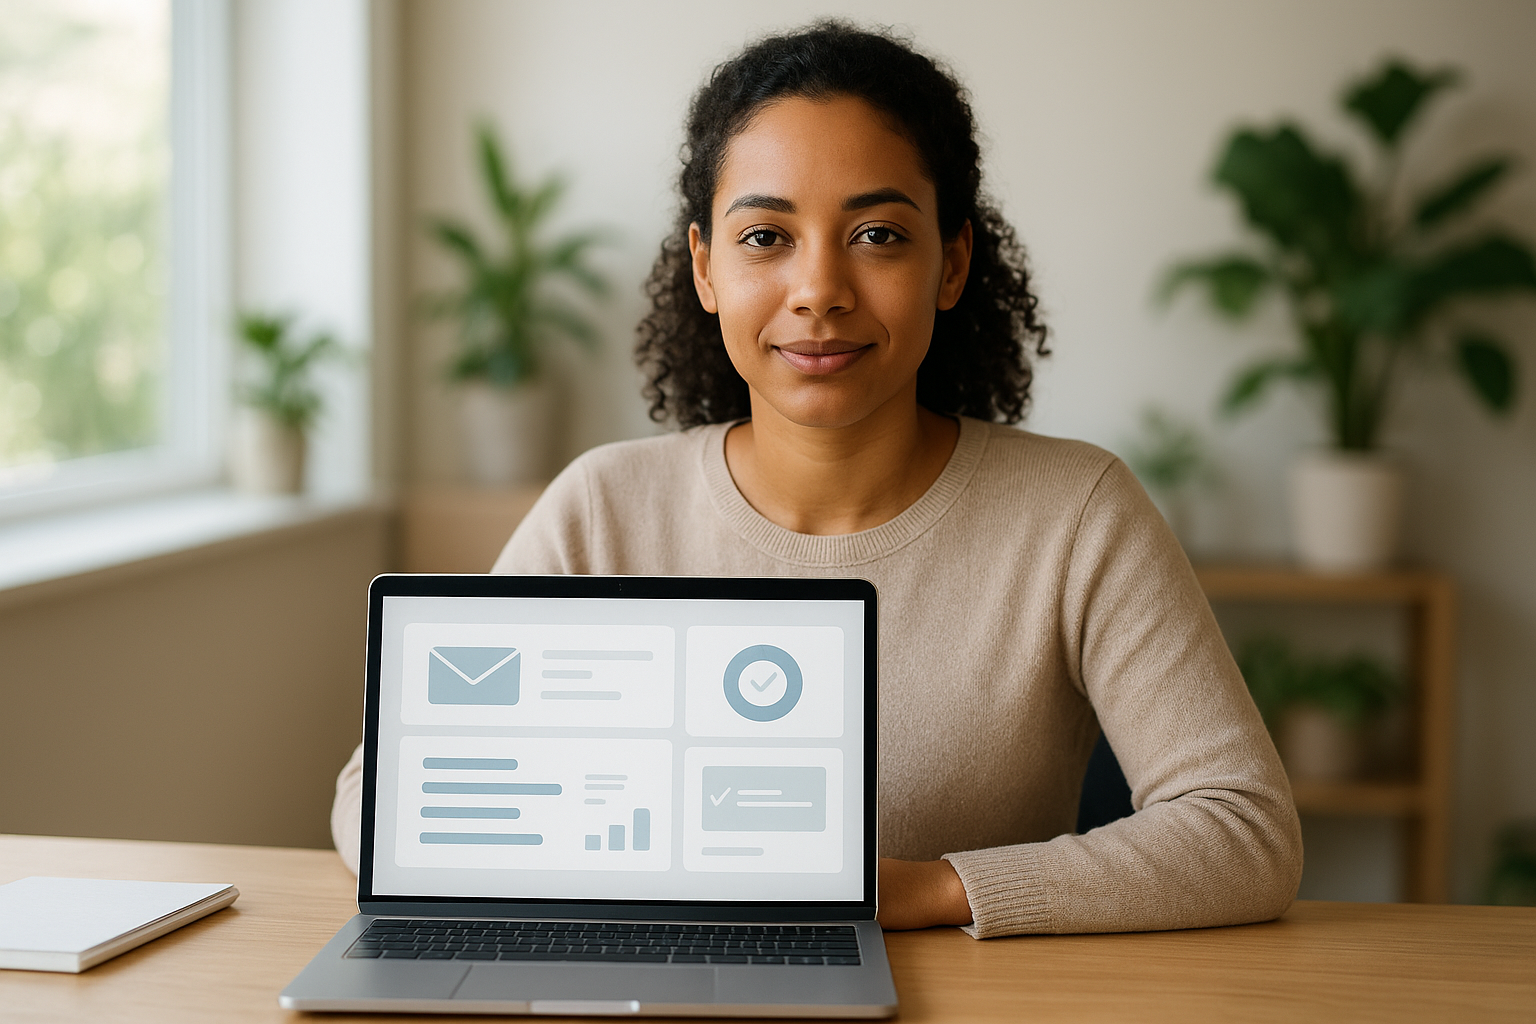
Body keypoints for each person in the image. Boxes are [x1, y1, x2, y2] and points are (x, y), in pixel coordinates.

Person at [333, 21, 1301, 937]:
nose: (820, 290)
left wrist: (930, 888)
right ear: (705, 269)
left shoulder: (1078, 514)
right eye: (766, 237)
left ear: (952, 261)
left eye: (878, 234)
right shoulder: (602, 507)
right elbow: (375, 800)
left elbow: (1245, 829)